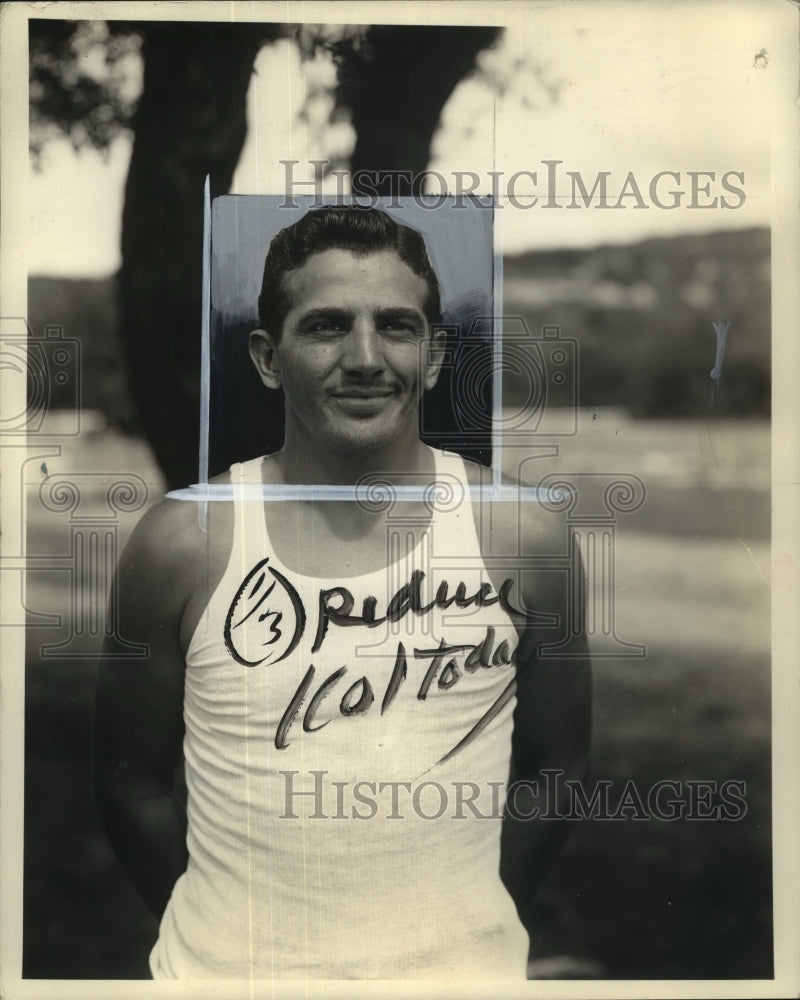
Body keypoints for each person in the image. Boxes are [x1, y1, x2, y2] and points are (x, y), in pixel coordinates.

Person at [95, 205, 591, 980]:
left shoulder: (523, 536)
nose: (365, 357)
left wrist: (468, 932)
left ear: (432, 356)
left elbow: (554, 770)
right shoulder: (183, 543)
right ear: (267, 356)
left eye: (396, 326)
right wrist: (224, 944)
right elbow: (131, 781)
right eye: (326, 326)